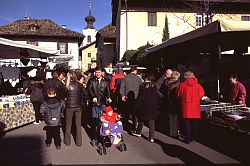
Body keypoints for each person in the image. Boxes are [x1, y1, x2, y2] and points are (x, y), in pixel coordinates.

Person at [177, 71, 204, 144]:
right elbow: (202, 94)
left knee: (187, 124)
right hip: (195, 107)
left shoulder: (182, 85)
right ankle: (193, 138)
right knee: (194, 124)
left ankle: (187, 139)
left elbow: (178, 95)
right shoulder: (198, 85)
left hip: (186, 107)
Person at [87, 66, 112, 144]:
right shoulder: (91, 81)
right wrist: (93, 97)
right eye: (96, 72)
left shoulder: (105, 82)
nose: (98, 74)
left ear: (102, 73)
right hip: (94, 103)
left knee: (102, 120)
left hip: (102, 103)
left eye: (99, 72)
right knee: (94, 120)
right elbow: (89, 90)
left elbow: (107, 91)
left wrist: (109, 98)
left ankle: (101, 135)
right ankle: (94, 137)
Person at [131, 72, 158, 143]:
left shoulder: (143, 88)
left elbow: (140, 100)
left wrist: (135, 108)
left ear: (146, 78)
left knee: (141, 119)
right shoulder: (155, 87)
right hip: (153, 107)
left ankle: (138, 132)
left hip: (144, 107)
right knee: (151, 122)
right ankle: (151, 137)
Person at [64, 71, 85, 147]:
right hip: (78, 106)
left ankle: (67, 141)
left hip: (69, 106)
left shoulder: (67, 85)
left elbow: (63, 95)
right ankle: (79, 142)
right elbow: (84, 94)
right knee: (78, 124)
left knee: (68, 124)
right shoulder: (79, 85)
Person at [119, 66, 142, 131]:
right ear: (135, 70)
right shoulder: (138, 78)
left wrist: (122, 95)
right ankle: (134, 126)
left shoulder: (125, 77)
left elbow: (122, 88)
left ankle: (126, 126)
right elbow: (141, 87)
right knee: (135, 113)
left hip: (127, 98)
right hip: (136, 98)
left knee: (127, 112)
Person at [166, 71, 181, 138]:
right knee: (176, 118)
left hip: (169, 101)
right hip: (176, 101)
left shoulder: (168, 82)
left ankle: (171, 132)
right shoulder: (177, 83)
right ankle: (175, 133)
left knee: (171, 118)